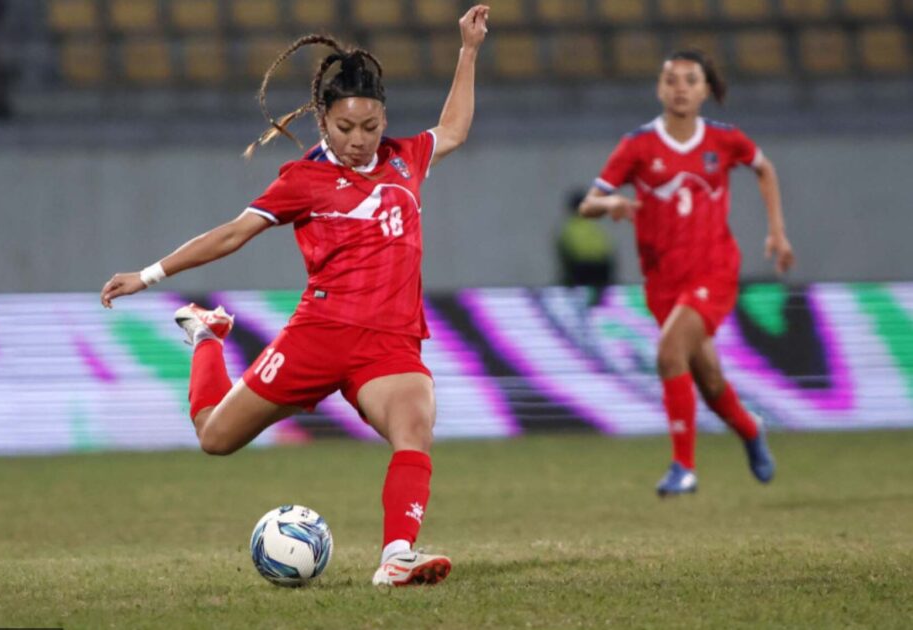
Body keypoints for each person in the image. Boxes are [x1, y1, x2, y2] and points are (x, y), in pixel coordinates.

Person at [100, 5, 490, 585]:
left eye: (371, 126)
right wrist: (150, 274)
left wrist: (468, 49)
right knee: (215, 438)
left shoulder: (405, 159)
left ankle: (396, 557)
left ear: (384, 119)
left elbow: (453, 129)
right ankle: (206, 335)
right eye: (345, 128)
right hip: (319, 336)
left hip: (390, 343)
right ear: (321, 119)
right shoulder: (300, 181)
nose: (359, 140)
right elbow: (233, 233)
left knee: (415, 428)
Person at [579, 49, 795, 497]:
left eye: (690, 80)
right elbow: (589, 202)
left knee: (668, 353)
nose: (680, 87)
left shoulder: (724, 140)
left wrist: (777, 232)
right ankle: (750, 428)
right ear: (659, 88)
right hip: (662, 282)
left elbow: (764, 168)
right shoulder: (637, 146)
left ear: (704, 90)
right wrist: (612, 203)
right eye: (671, 79)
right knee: (708, 378)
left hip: (714, 270)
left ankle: (684, 467)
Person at [556, 187, 615, 299]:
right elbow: (608, 250)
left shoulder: (569, 228)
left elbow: (565, 253)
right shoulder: (594, 226)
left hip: (581, 269)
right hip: (601, 268)